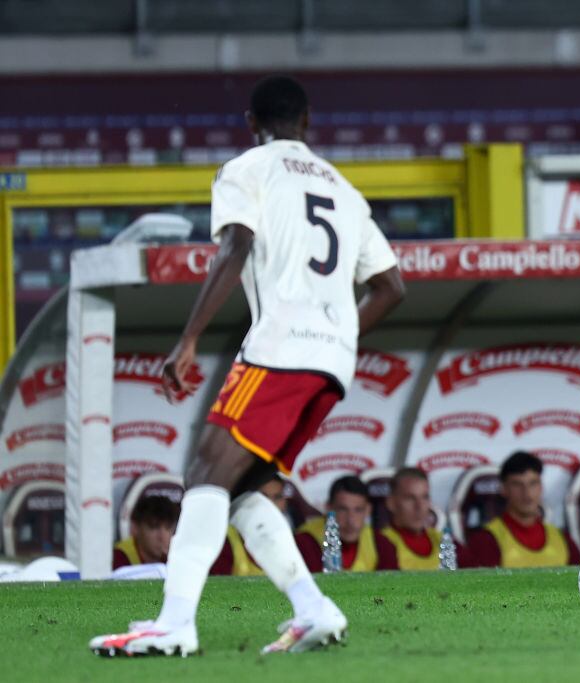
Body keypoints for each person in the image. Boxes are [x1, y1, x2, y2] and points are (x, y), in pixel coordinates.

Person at [91, 75, 405, 657]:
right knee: (242, 488)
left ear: (249, 121)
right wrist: (337, 333)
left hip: (279, 351)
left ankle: (174, 624)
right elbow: (391, 286)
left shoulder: (248, 169)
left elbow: (234, 246)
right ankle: (315, 609)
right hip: (331, 364)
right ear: (307, 122)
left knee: (205, 473)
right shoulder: (344, 190)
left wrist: (188, 340)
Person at [463, 452, 580, 568]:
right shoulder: (485, 541)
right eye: (517, 485)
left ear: (541, 487)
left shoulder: (563, 539)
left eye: (532, 483)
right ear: (504, 489)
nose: (527, 493)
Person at [295, 475, 378, 571]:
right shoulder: (304, 542)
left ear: (368, 510)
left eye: (358, 510)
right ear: (328, 508)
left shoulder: (381, 544)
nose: (350, 520)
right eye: (342, 509)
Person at [210, 477, 290, 576]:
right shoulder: (225, 540)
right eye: (263, 497)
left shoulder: (287, 540)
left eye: (277, 497)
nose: (270, 504)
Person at [375, 468, 442, 570]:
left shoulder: (443, 540)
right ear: (391, 503)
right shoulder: (379, 544)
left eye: (424, 497)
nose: (419, 506)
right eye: (410, 498)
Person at [112, 495, 180, 569]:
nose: (162, 537)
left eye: (168, 528)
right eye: (154, 527)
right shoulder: (119, 558)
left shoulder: (176, 557)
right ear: (135, 528)